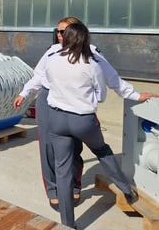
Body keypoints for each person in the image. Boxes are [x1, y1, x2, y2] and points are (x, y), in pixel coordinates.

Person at [13, 17, 155, 211]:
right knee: (48, 149)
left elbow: (112, 79)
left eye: (64, 32)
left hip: (74, 105)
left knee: (73, 148)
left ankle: (74, 185)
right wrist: (24, 93)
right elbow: (38, 77)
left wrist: (136, 95)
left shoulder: (93, 53)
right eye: (58, 31)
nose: (59, 35)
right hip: (48, 100)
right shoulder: (51, 52)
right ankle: (53, 190)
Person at [45, 23, 157, 228]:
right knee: (102, 151)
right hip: (83, 120)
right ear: (85, 39)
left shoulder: (51, 60)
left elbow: (49, 83)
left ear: (65, 38)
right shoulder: (91, 64)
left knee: (62, 170)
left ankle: (67, 224)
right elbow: (102, 94)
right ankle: (126, 190)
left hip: (57, 119)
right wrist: (136, 95)